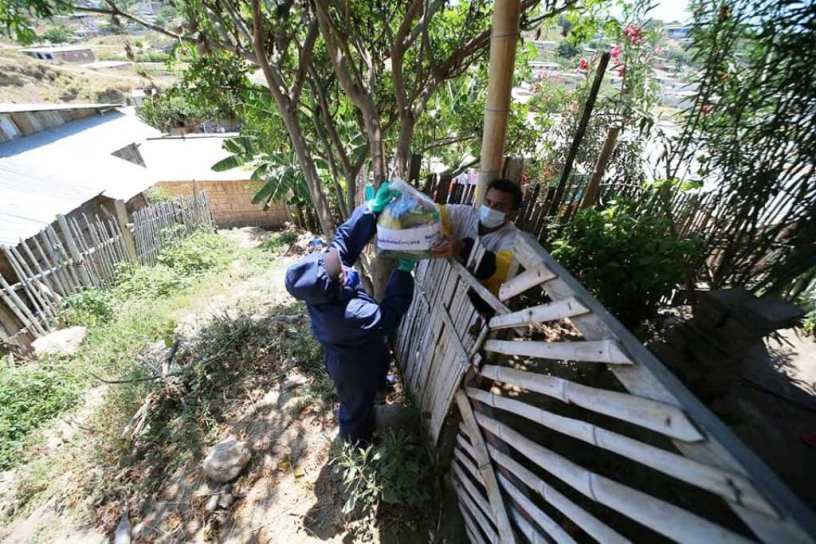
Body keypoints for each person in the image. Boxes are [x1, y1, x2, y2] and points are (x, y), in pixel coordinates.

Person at [284, 183, 415, 446]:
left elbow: (342, 244)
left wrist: (369, 211)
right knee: (356, 404)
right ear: (332, 288)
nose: (342, 267)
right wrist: (403, 273)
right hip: (350, 366)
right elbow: (388, 315)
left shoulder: (319, 282)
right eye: (339, 272)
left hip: (362, 346)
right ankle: (356, 441)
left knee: (378, 361)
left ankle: (379, 385)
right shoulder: (349, 316)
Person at [432, 178, 523, 296]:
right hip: (439, 285)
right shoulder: (464, 214)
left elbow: (498, 268)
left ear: (512, 214)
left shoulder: (514, 240)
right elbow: (432, 213)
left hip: (471, 301)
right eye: (488, 202)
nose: (490, 208)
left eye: (499, 206)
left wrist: (463, 249)